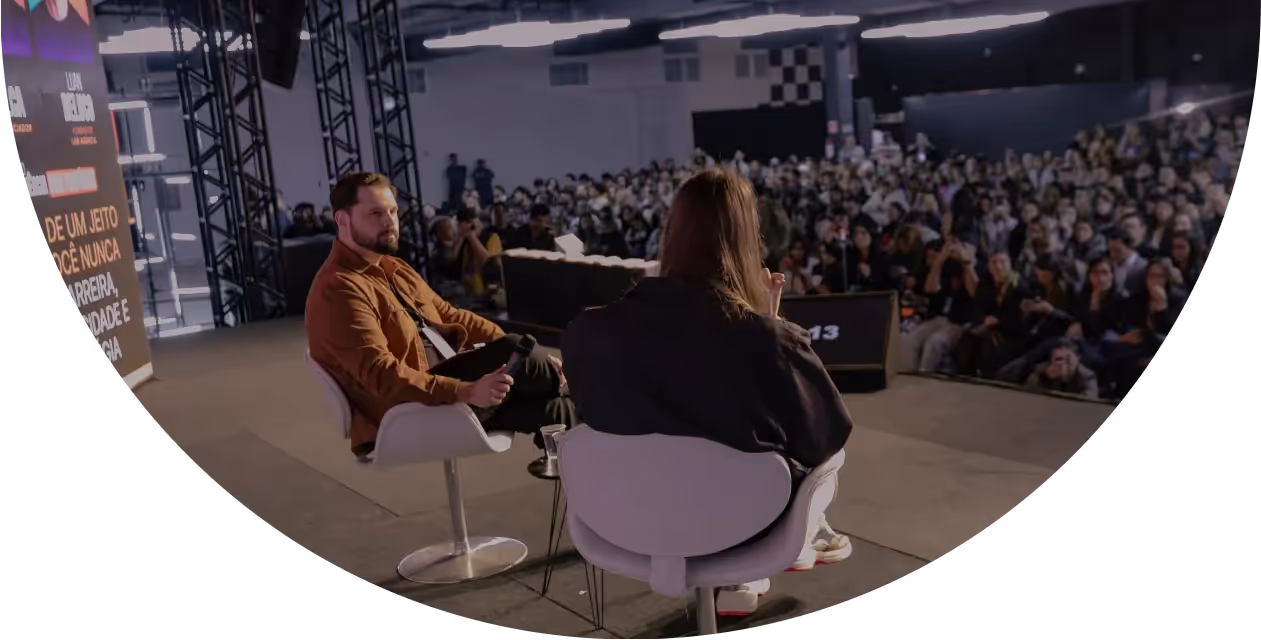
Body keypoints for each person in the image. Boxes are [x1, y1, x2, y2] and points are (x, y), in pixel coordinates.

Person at [562, 169, 854, 611]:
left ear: (671, 235)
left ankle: (740, 577)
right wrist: (771, 331)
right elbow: (822, 441)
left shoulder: (587, 330)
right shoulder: (767, 340)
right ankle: (761, 561)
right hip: (745, 525)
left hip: (624, 521)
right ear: (746, 241)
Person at [306, 172, 577, 458]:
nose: (390, 222)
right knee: (517, 351)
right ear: (343, 221)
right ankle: (581, 387)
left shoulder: (394, 268)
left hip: (441, 387)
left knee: (555, 409)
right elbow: (381, 377)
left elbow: (452, 315)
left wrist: (528, 360)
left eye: (393, 211)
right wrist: (465, 391)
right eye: (375, 213)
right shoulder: (338, 288)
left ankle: (584, 494)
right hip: (404, 410)